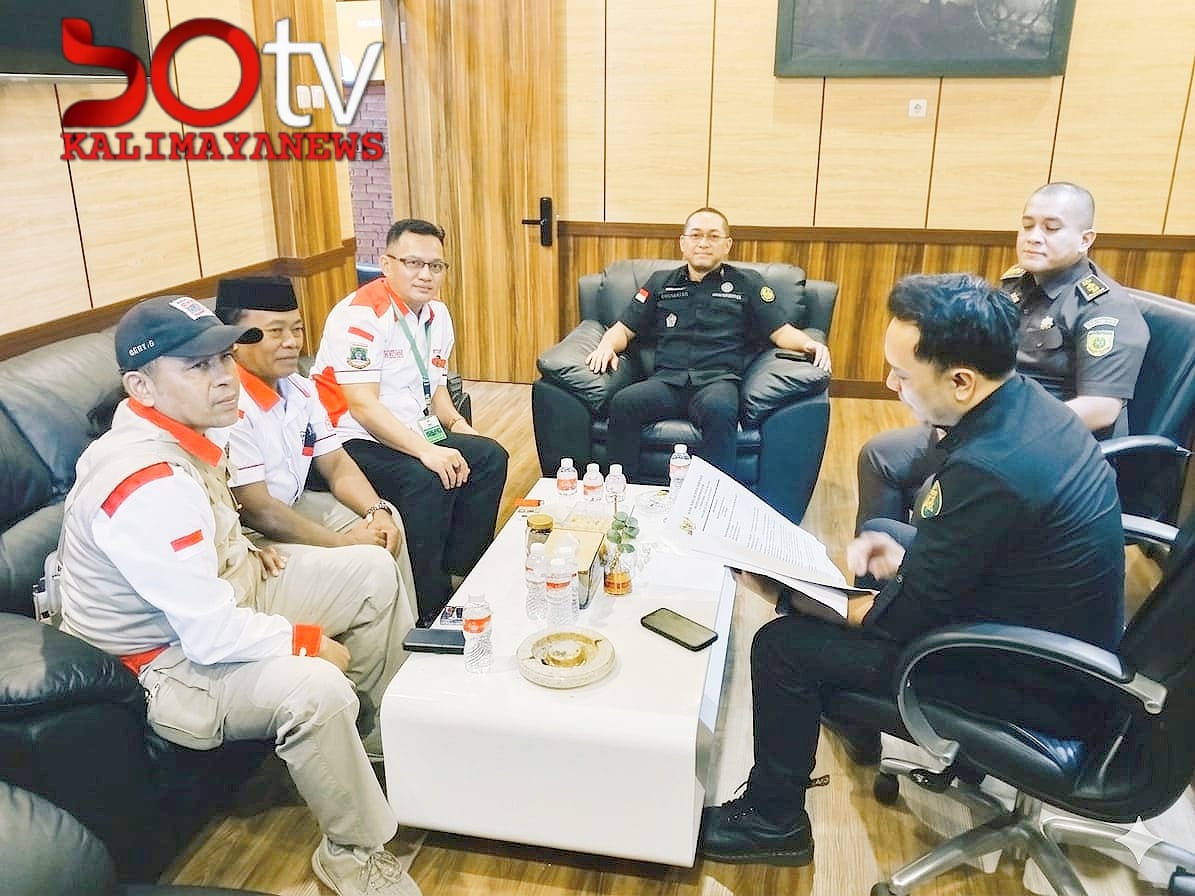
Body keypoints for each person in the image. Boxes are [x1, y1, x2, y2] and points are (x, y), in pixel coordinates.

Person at [700, 274, 1125, 867]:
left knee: (782, 645)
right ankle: (846, 706)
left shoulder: (991, 468)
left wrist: (788, 593)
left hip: (1036, 681)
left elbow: (899, 621)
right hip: (1055, 630)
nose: (889, 384)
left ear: (960, 380)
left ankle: (774, 823)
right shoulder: (1024, 404)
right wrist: (902, 560)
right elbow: (987, 546)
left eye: (902, 374)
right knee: (887, 534)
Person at [56, 295, 420, 896]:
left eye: (224, 357)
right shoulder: (147, 484)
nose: (225, 376)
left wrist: (242, 544)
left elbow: (206, 536)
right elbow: (209, 634)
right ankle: (353, 853)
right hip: (166, 660)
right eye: (197, 366)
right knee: (317, 687)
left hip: (223, 597)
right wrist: (306, 642)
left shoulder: (187, 429)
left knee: (371, 572)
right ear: (140, 386)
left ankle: (372, 745)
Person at [856, 182, 1148, 531]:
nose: (1034, 237)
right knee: (880, 456)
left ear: (1085, 239)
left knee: (937, 494)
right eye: (1027, 225)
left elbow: (1102, 409)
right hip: (988, 423)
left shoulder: (1104, 309)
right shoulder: (1015, 286)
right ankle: (880, 565)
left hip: (1048, 448)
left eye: (1051, 228)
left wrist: (992, 432)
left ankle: (927, 562)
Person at [312, 219, 509, 626]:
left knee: (490, 456)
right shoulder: (360, 316)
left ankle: (465, 575)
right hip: (351, 438)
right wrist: (427, 451)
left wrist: (457, 424)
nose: (426, 275)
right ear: (387, 264)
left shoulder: (437, 314)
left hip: (411, 429)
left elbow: (435, 386)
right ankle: (426, 604)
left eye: (436, 266)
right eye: (413, 263)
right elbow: (362, 406)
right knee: (426, 477)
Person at [213, 275, 419, 628]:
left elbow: (337, 464)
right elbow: (258, 509)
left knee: (388, 523)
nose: (292, 342)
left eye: (296, 329)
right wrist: (342, 543)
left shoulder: (300, 388)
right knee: (368, 563)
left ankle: (409, 633)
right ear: (235, 340)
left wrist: (377, 510)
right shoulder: (229, 404)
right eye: (275, 332)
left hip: (292, 504)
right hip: (252, 532)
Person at [584, 207, 831, 479]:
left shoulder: (747, 284)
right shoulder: (660, 283)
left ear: (727, 245)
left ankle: (712, 497)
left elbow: (781, 332)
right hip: (667, 382)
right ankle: (622, 491)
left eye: (713, 236)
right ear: (683, 243)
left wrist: (809, 344)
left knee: (720, 410)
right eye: (696, 235)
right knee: (624, 403)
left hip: (717, 382)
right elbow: (623, 329)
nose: (703, 243)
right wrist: (606, 346)